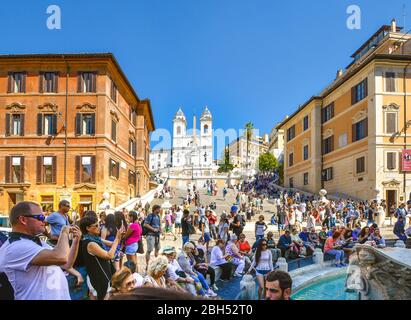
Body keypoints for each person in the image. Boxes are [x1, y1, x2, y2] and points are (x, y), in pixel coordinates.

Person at [0, 201, 81, 300]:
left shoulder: (37, 242)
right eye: (40, 217)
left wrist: (76, 241)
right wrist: (64, 232)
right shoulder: (15, 246)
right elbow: (61, 258)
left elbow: (67, 264)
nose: (44, 221)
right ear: (23, 219)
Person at [80, 215, 123, 300]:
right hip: (98, 278)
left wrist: (119, 236)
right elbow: (109, 256)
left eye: (99, 224)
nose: (99, 227)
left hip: (99, 276)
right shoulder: (90, 243)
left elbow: (112, 244)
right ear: (88, 228)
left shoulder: (96, 239)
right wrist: (117, 239)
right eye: (96, 225)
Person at [144, 205, 162, 269]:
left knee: (158, 248)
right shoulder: (150, 215)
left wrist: (160, 229)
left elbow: (159, 225)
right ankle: (147, 264)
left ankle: (156, 263)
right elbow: (145, 224)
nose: (159, 210)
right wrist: (153, 229)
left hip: (157, 235)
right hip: (150, 235)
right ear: (155, 209)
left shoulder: (158, 216)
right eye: (158, 209)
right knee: (149, 250)